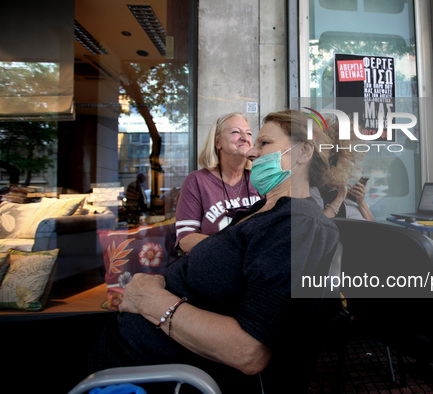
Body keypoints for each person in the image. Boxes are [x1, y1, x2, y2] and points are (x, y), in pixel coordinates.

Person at [88, 110, 339, 393]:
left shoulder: (297, 224)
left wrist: (150, 300)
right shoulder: (262, 210)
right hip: (124, 350)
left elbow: (248, 352)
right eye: (250, 141)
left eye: (263, 143)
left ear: (304, 151)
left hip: (143, 377)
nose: (251, 151)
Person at [175, 113, 261, 253]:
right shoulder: (197, 181)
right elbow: (185, 239)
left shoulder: (260, 178)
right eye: (235, 132)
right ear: (217, 142)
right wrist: (231, 245)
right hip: (214, 265)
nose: (245, 138)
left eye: (249, 133)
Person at [309, 117, 374, 221]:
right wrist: (339, 198)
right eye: (342, 166)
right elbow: (317, 224)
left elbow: (372, 223)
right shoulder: (316, 191)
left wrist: (361, 201)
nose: (345, 172)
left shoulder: (347, 194)